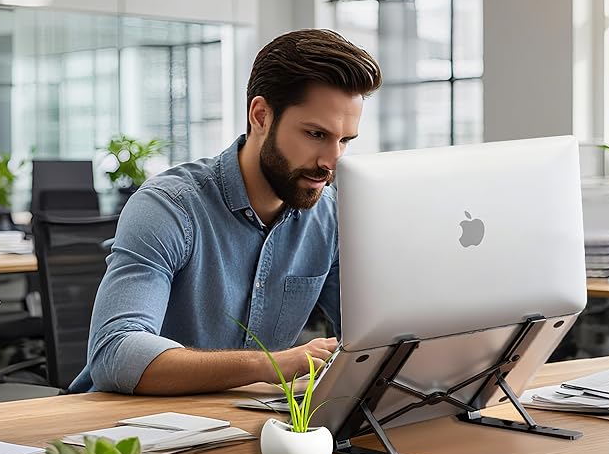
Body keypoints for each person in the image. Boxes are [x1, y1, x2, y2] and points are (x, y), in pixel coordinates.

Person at [68, 29, 381, 395]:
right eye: (315, 134)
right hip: (128, 431)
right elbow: (115, 353)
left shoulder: (329, 216)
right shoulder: (169, 206)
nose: (332, 161)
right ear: (261, 116)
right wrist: (271, 365)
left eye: (344, 141)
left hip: (244, 423)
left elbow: (373, 336)